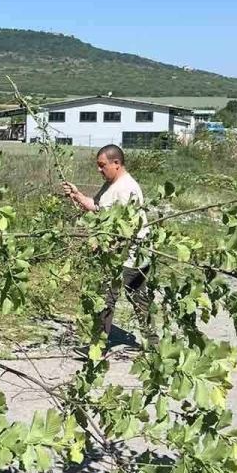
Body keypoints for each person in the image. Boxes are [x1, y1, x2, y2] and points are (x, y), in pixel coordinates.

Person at [62, 145, 158, 346]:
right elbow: (97, 207)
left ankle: (98, 347)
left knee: (105, 300)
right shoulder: (111, 184)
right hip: (130, 256)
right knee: (140, 300)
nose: (99, 170)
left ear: (116, 163)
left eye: (102, 165)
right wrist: (77, 195)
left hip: (128, 256)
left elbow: (127, 228)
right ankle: (153, 345)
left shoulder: (126, 188)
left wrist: (105, 245)